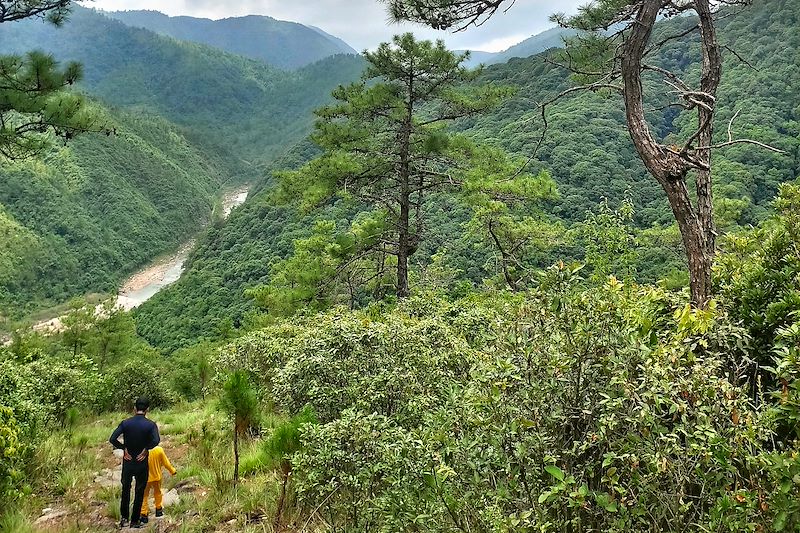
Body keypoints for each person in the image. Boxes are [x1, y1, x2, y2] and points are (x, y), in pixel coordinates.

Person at [109, 397, 160, 529]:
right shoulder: (150, 425)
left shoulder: (126, 423)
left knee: (125, 489)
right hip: (141, 462)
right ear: (147, 409)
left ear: (134, 408)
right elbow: (156, 440)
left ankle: (124, 518)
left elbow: (113, 438)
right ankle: (135, 521)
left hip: (128, 461)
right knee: (139, 490)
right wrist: (146, 449)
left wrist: (123, 448)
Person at [139, 445, 177, 524]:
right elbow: (166, 463)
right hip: (157, 477)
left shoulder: (140, 451)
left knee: (144, 495)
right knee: (158, 493)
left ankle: (144, 515)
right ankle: (158, 509)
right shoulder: (159, 450)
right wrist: (172, 471)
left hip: (145, 478)